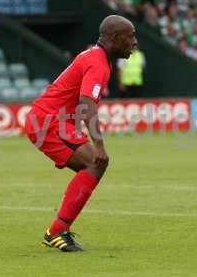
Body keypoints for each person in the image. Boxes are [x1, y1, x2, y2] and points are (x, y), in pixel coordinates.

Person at [24, 15, 137, 252]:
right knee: (95, 162)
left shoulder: (94, 56)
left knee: (93, 167)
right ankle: (56, 231)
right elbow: (87, 104)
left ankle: (58, 230)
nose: (134, 42)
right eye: (130, 36)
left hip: (53, 120)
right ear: (114, 38)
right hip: (50, 121)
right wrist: (99, 145)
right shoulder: (98, 62)